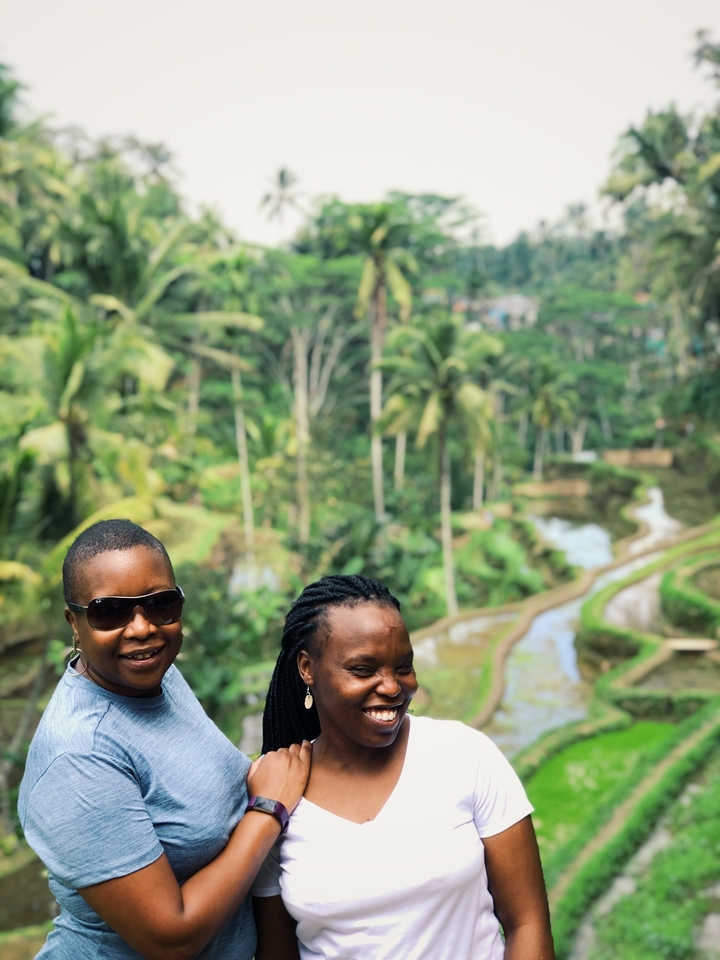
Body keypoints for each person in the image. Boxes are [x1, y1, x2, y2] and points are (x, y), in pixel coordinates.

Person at [19, 519, 311, 960]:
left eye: (161, 604)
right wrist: (268, 810)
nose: (142, 628)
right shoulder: (79, 756)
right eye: (109, 611)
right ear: (74, 622)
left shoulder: (156, 675)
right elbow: (171, 938)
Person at [252, 574, 554, 960]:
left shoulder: (465, 755)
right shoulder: (276, 791)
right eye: (364, 670)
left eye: (403, 666)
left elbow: (527, 923)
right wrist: (268, 809)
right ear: (307, 668)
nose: (392, 687)